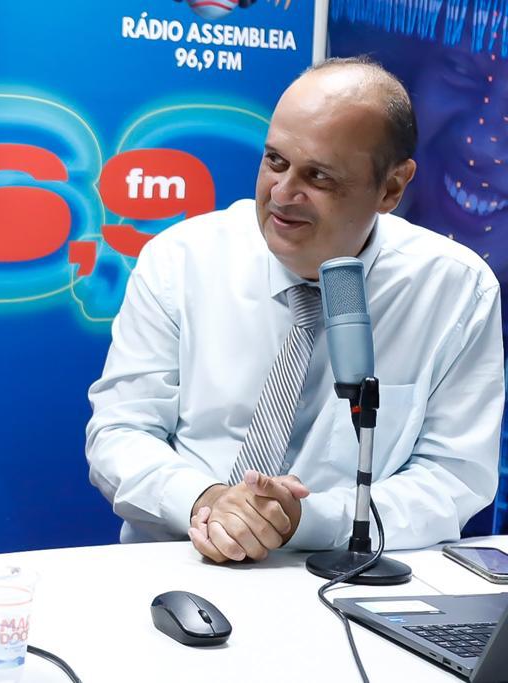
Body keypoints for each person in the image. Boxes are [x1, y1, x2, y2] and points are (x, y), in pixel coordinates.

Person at [86, 57, 504, 563]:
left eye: (319, 177)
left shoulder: (455, 289)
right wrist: (209, 502)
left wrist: (310, 519)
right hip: (176, 560)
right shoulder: (182, 260)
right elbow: (119, 432)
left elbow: (453, 476)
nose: (282, 195)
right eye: (275, 161)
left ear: (391, 188)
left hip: (346, 573)